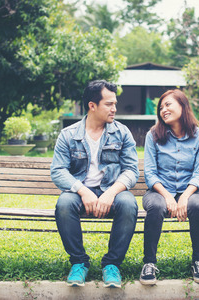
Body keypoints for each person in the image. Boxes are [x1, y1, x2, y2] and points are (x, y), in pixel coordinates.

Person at [50, 80, 139, 288]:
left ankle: (112, 265)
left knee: (128, 204)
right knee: (64, 204)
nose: (114, 109)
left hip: (113, 190)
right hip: (81, 190)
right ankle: (79, 262)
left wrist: (110, 193)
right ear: (92, 106)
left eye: (115, 103)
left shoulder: (122, 132)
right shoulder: (68, 135)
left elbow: (131, 170)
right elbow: (58, 170)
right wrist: (83, 191)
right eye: (109, 104)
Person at [139, 89, 199, 285]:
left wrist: (184, 197)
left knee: (197, 206)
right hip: (158, 191)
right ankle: (149, 263)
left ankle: (198, 261)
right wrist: (169, 197)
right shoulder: (153, 135)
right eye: (161, 107)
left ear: (183, 106)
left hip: (189, 190)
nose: (163, 110)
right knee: (156, 206)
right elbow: (150, 173)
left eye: (168, 104)